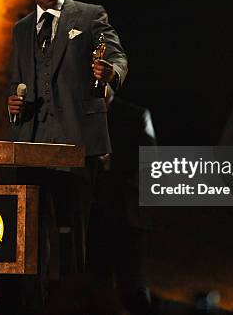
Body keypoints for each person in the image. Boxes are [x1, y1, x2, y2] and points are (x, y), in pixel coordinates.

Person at [5, 0, 127, 312]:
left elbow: (117, 58)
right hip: (32, 143)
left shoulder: (89, 15)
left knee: (73, 234)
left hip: (76, 141)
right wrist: (13, 101)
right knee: (31, 236)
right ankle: (33, 303)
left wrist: (109, 74)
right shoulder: (22, 29)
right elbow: (17, 79)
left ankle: (75, 304)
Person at [86, 90, 157, 315]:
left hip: (127, 218)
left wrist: (110, 167)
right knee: (96, 288)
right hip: (94, 217)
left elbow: (149, 166)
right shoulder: (80, 115)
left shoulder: (135, 116)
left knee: (133, 288)